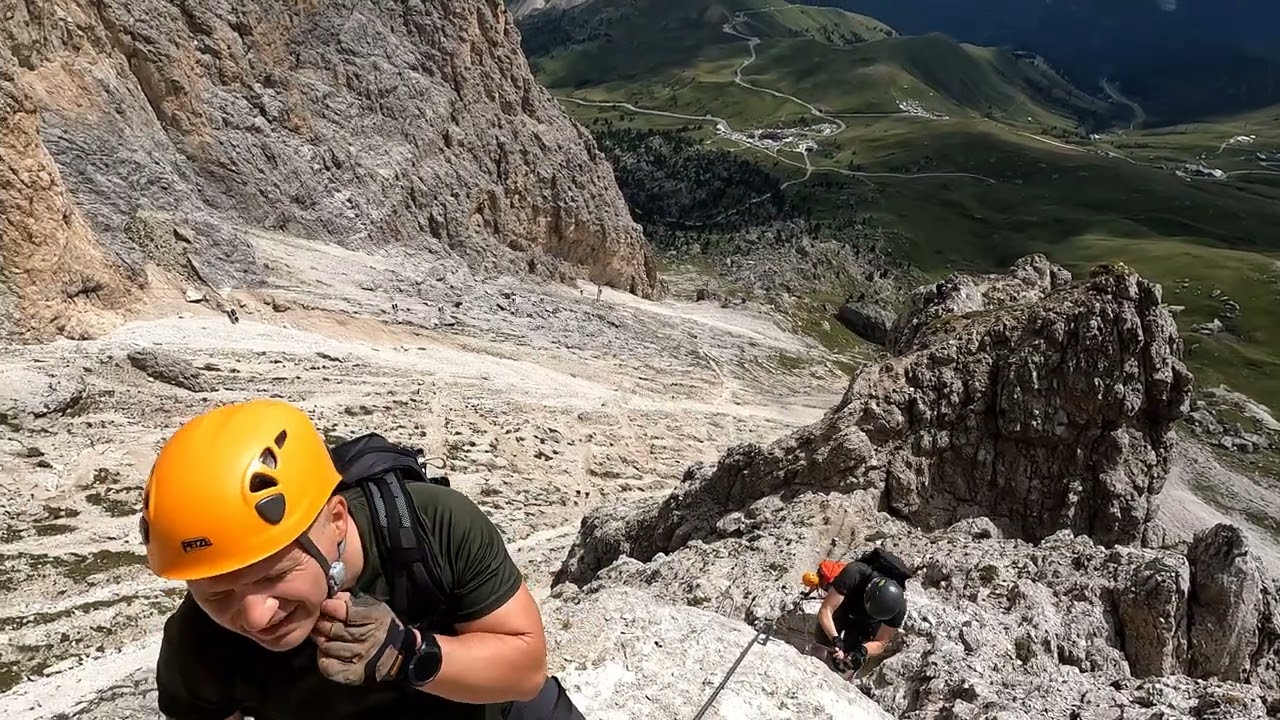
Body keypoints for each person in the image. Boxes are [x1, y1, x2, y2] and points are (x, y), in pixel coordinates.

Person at [140, 397, 585, 720]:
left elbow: (525, 671)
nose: (256, 617)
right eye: (218, 593)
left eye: (275, 575)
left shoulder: (431, 524)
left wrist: (407, 652)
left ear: (337, 520)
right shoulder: (199, 641)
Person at [808, 554, 908, 680]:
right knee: (822, 642)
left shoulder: (898, 608)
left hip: (867, 624)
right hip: (846, 604)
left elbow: (881, 643)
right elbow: (826, 611)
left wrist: (862, 651)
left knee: (850, 661)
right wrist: (835, 639)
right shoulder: (854, 573)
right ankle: (813, 669)